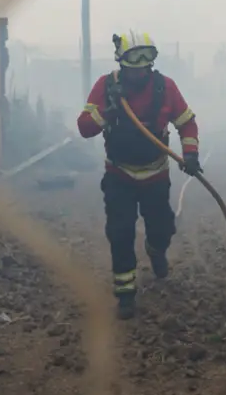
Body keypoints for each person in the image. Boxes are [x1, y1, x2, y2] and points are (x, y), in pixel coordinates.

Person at [77, 31, 202, 320]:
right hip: (119, 175)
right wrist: (109, 110)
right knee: (120, 233)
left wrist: (191, 154)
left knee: (163, 228)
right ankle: (125, 295)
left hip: (156, 176)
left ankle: (156, 250)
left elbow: (187, 123)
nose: (142, 67)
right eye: (135, 60)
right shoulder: (106, 87)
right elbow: (84, 128)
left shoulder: (165, 88)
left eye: (148, 59)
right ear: (121, 61)